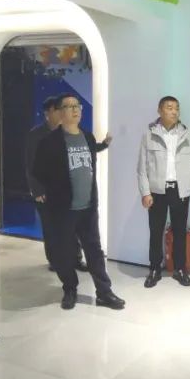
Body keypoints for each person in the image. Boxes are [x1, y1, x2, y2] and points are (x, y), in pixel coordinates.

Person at [33, 93, 123, 311]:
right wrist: (46, 192)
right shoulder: (49, 142)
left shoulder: (88, 137)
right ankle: (70, 289)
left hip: (88, 207)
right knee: (64, 253)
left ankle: (104, 292)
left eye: (77, 106)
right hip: (63, 208)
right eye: (68, 106)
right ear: (59, 112)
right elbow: (37, 171)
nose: (74, 110)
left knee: (95, 251)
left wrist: (105, 144)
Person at [137, 96, 190, 288]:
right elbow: (142, 168)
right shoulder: (149, 134)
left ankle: (179, 269)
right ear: (160, 110)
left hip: (180, 190)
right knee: (155, 231)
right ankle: (154, 269)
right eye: (169, 108)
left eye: (176, 108)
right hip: (157, 190)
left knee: (180, 231)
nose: (174, 112)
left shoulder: (187, 133)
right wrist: (145, 192)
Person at [25, 96, 87, 272]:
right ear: (48, 113)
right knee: (51, 228)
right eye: (59, 109)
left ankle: (76, 258)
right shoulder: (36, 135)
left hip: (67, 190)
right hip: (45, 191)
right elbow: (30, 164)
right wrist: (37, 190)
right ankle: (55, 260)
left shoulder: (68, 132)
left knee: (72, 226)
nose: (62, 112)